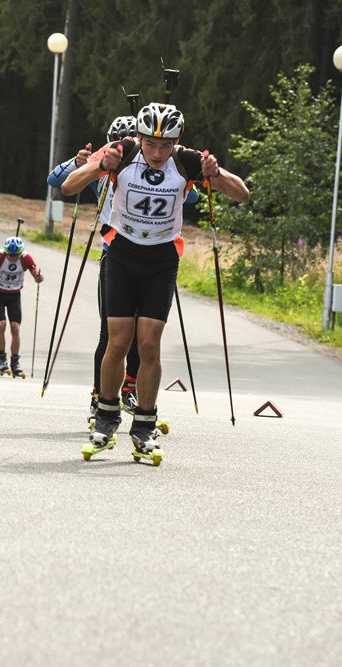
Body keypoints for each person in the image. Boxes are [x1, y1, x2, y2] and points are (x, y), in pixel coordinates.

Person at [61, 102, 250, 461]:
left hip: (161, 260)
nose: (158, 153)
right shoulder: (123, 150)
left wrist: (217, 175)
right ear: (141, 137)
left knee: (148, 345)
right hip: (121, 255)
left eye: (166, 145)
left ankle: (145, 426)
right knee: (117, 342)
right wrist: (101, 166)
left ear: (177, 141)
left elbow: (241, 194)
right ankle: (105, 418)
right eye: (151, 144)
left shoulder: (188, 160)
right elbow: (69, 186)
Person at [47, 115, 199, 423]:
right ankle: (100, 396)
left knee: (144, 336)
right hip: (113, 248)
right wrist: (81, 161)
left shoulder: (151, 159)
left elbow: (191, 195)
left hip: (154, 250)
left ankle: (130, 388)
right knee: (113, 335)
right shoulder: (110, 156)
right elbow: (57, 179)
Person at [0, 236, 44, 378]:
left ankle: (15, 362)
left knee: (15, 328)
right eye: (10, 255)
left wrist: (38, 278)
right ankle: (2, 359)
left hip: (14, 296)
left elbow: (36, 274)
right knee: (1, 325)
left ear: (20, 252)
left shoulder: (26, 258)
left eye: (15, 255)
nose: (12, 258)